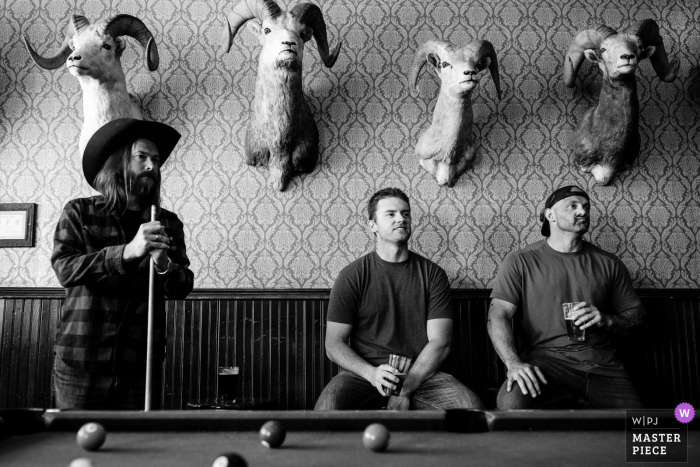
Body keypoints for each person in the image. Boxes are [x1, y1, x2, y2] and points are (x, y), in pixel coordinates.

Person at [51, 118, 194, 410]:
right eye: (142, 157)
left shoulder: (168, 223)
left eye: (155, 160)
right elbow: (66, 269)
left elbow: (182, 286)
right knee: (76, 449)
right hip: (82, 362)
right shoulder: (80, 211)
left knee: (137, 451)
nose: (152, 166)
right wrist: (127, 253)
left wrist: (164, 263)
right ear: (119, 163)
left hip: (140, 367)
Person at [315, 187, 484, 410]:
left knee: (471, 406)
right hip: (364, 374)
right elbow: (333, 344)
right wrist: (372, 374)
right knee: (328, 407)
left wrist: (405, 388)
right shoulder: (352, 276)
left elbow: (440, 343)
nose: (401, 219)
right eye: (391, 214)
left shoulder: (433, 275)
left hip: (421, 374)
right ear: (372, 225)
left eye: (405, 213)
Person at [488, 185, 645, 409]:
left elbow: (638, 319)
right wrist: (513, 364)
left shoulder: (609, 263)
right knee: (511, 403)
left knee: (641, 428)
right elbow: (497, 314)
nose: (582, 211)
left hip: (604, 367)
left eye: (586, 207)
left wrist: (605, 319)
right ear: (550, 215)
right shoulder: (520, 261)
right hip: (548, 363)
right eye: (572, 206)